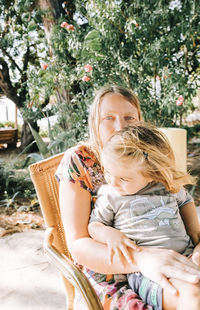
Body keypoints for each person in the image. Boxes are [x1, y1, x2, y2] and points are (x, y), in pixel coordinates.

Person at [56, 85, 200, 310]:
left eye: (129, 117)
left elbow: (180, 201)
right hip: (110, 267)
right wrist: (142, 259)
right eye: (108, 118)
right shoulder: (80, 160)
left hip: (176, 253)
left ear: (140, 121)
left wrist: (197, 243)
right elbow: (78, 244)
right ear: (95, 122)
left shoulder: (149, 155)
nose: (119, 126)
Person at [88, 123, 200, 310]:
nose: (112, 181)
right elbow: (94, 225)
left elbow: (185, 201)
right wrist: (109, 234)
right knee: (193, 294)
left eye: (123, 178)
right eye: (108, 172)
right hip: (147, 273)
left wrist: (194, 230)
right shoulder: (110, 195)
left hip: (187, 257)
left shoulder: (166, 186)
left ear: (151, 174)